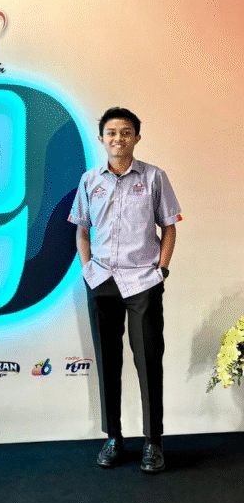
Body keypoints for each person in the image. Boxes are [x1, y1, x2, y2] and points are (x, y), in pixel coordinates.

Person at [68, 108, 181, 473]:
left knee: (148, 361)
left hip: (143, 282)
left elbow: (169, 227)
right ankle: (114, 437)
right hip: (101, 280)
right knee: (107, 361)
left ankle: (153, 442)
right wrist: (87, 268)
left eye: (126, 132)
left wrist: (161, 269)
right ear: (102, 138)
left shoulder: (154, 177)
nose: (119, 138)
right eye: (112, 132)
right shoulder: (89, 180)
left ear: (137, 138)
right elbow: (82, 229)